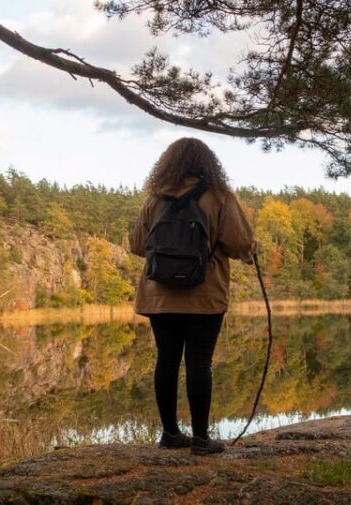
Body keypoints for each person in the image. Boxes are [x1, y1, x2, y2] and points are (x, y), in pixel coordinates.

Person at [129, 138, 255, 456]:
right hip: (205, 295)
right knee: (200, 362)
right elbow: (240, 244)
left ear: (169, 163)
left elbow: (136, 244)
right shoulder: (220, 197)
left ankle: (170, 433)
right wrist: (251, 251)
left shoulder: (154, 199)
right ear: (208, 164)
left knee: (166, 360)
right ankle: (200, 439)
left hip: (159, 295)